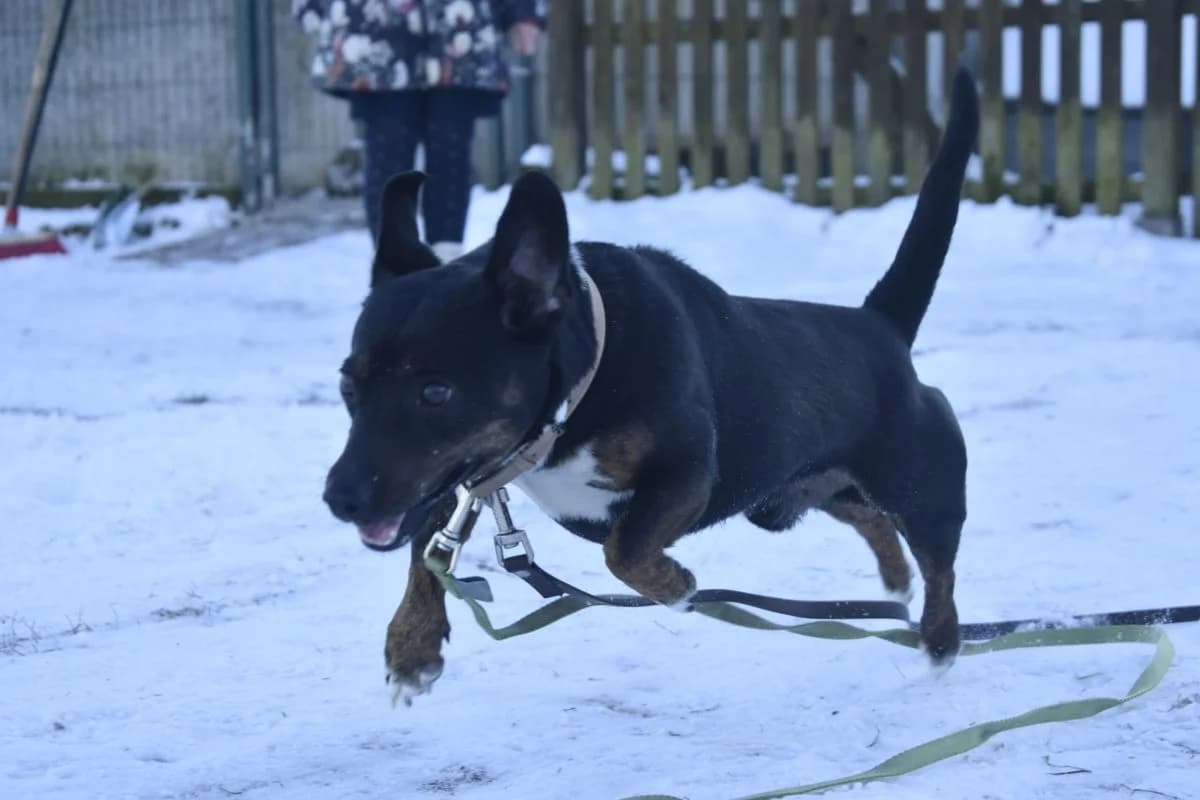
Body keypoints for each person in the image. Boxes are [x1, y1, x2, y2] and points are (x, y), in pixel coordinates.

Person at [295, 1, 544, 261]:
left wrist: (524, 10)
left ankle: (446, 264)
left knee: (450, 152)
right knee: (388, 155)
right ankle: (393, 268)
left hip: (458, 25)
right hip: (376, 26)